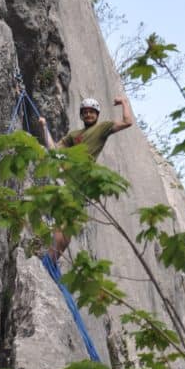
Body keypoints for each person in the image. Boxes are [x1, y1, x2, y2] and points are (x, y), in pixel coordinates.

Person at [38, 95, 133, 260]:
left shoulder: (103, 128)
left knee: (70, 226)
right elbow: (53, 150)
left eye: (92, 112)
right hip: (68, 180)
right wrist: (44, 127)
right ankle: (50, 258)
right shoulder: (74, 136)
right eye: (85, 112)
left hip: (82, 183)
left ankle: (52, 259)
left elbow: (127, 122)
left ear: (97, 114)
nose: (88, 115)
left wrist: (124, 102)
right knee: (64, 222)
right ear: (81, 115)